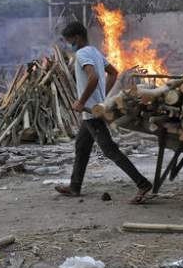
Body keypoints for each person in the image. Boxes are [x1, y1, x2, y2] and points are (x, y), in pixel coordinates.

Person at [55, 21, 153, 203]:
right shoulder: (95, 51)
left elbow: (94, 77)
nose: (69, 44)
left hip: (92, 112)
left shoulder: (82, 54)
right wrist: (103, 96)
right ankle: (74, 186)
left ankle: (142, 183)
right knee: (81, 147)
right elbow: (114, 73)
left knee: (109, 150)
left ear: (76, 38)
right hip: (93, 110)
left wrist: (82, 101)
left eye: (69, 40)